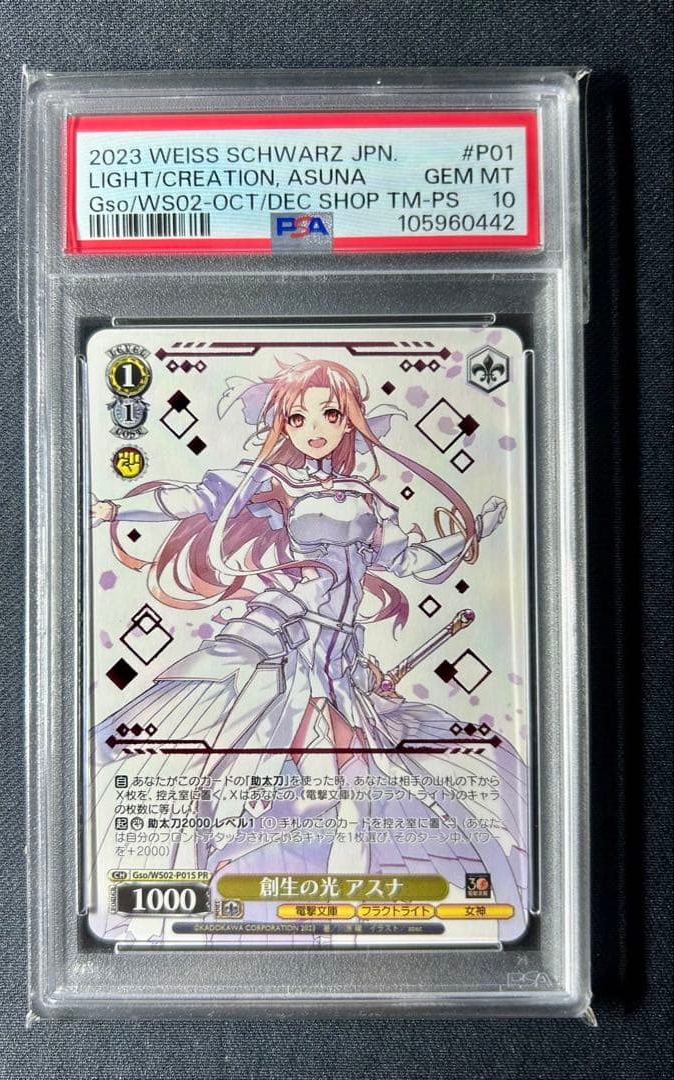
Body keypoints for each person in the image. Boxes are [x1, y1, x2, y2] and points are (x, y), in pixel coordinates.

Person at [90, 358, 527, 938]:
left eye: (329, 414)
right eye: (298, 418)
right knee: (221, 751)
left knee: (351, 787)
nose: (314, 428)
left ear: (349, 420)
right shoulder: (270, 483)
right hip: (281, 641)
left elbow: (411, 559)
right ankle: (202, 865)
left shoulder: (365, 498)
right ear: (283, 425)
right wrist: (117, 509)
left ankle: (338, 921)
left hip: (339, 662)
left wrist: (472, 534)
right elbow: (192, 498)